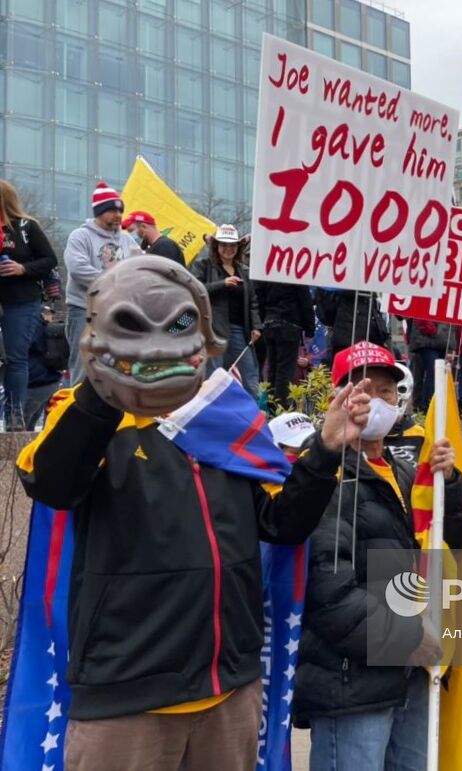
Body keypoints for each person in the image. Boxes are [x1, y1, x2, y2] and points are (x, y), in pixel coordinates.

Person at [17, 260, 373, 771]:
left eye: (178, 324)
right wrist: (106, 385)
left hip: (229, 693)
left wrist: (325, 450)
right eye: (137, 324)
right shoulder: (86, 416)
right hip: (126, 706)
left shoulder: (228, 419)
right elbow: (52, 483)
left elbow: (282, 526)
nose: (160, 343)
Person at [295, 343, 462, 771]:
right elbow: (328, 591)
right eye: (366, 389)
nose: (379, 401)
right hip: (354, 680)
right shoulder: (325, 475)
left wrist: (452, 484)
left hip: (410, 672)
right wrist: (410, 640)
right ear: (339, 397)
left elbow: (446, 541)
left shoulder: (406, 468)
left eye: (389, 392)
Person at [63, 181, 138, 384]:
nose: (118, 214)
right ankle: (77, 412)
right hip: (84, 311)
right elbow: (78, 269)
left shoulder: (127, 240)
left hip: (117, 313)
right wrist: (115, 284)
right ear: (99, 211)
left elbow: (139, 268)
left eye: (120, 210)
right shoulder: (80, 236)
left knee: (118, 367)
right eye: (112, 210)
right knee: (83, 365)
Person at [0, 179, 58, 429]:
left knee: (16, 358)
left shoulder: (26, 227)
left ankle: (14, 417)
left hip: (21, 301)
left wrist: (23, 268)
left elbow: (49, 259)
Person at [190, 225, 262, 397]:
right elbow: (194, 290)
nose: (228, 249)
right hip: (212, 330)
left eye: (232, 246)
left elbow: (253, 301)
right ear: (216, 247)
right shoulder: (203, 266)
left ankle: (255, 416)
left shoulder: (243, 271)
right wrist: (222, 284)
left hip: (239, 330)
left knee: (250, 374)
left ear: (238, 248)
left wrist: (256, 326)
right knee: (214, 376)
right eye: (224, 245)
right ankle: (211, 414)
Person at [257, 278, 316, 407]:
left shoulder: (268, 273)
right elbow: (306, 301)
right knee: (285, 371)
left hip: (269, 323)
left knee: (273, 369)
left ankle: (272, 407)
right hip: (290, 325)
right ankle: (282, 408)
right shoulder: (294, 274)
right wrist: (310, 330)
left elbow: (259, 297)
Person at [23, 305, 65, 429]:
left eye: (50, 313)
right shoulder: (50, 331)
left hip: (36, 382)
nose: (49, 316)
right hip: (51, 381)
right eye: (46, 313)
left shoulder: (32, 327)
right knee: (38, 425)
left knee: (21, 426)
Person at [317, 290, 389, 361]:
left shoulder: (335, 290)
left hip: (345, 339)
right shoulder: (370, 293)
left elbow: (326, 316)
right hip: (370, 337)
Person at [383, 362, 426, 467]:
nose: (396, 397)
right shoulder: (361, 436)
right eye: (386, 391)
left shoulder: (420, 435)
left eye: (400, 390)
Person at [406, 317, 451, 412]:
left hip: (438, 339)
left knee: (433, 375)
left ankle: (428, 405)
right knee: (432, 374)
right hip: (427, 338)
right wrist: (433, 330)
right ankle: (427, 406)